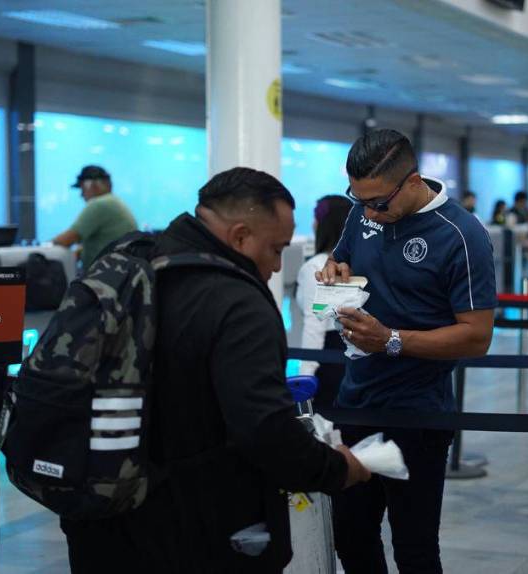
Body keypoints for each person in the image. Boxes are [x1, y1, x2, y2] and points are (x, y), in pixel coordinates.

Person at [60, 168, 371, 572]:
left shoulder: (124, 262)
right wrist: (336, 468)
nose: (277, 267)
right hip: (194, 531)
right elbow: (265, 430)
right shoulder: (238, 303)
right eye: (275, 250)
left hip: (99, 517)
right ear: (241, 236)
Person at [317, 129, 496, 573]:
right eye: (358, 199)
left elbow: (477, 335)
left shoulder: (462, 235)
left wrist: (392, 339)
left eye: (379, 202)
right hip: (356, 404)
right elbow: (341, 258)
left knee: (414, 549)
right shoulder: (364, 213)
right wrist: (335, 270)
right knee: (352, 538)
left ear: (413, 180)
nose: (370, 210)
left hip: (418, 413)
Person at [295, 195, 353, 408]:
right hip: (358, 359)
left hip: (328, 360)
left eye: (315, 217)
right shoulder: (359, 262)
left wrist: (303, 380)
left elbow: (315, 323)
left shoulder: (317, 267)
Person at [53, 165, 138, 271]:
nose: (81, 195)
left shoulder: (100, 204)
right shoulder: (113, 202)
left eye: (82, 189)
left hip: (104, 278)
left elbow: (65, 240)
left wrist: (45, 249)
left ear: (91, 185)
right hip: (119, 275)